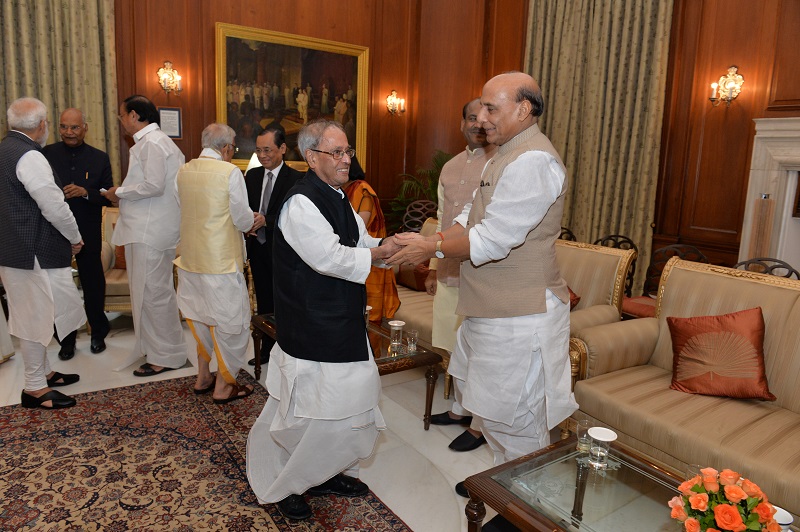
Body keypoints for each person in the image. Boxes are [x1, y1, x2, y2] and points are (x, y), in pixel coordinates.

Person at [387, 72, 579, 496]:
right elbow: (466, 221)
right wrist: (428, 243)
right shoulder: (501, 156)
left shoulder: (533, 160)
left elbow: (493, 238)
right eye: (480, 109)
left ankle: (525, 507)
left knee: (517, 420)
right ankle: (503, 488)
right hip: (491, 307)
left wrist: (430, 247)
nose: (481, 118)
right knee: (492, 415)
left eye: (492, 108)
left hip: (520, 312)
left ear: (523, 109)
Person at [246, 119, 400, 521]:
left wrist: (386, 244)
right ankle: (289, 484)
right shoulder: (300, 202)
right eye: (337, 152)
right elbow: (329, 258)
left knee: (349, 404)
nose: (346, 159)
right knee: (309, 413)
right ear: (312, 158)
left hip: (340, 320)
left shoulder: (337, 194)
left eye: (348, 151)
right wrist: (379, 256)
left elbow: (355, 240)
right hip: (313, 323)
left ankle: (326, 472)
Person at [0, 97, 85, 409]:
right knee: (34, 317)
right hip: (32, 250)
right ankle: (34, 388)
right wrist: (75, 237)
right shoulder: (29, 156)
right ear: (40, 125)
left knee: (36, 312)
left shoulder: (3, 150)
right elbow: (54, 206)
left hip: (12, 248)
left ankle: (44, 373)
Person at [426, 98, 497, 453]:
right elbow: (442, 219)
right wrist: (434, 267)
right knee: (457, 347)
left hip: (483, 273)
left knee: (480, 350)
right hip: (450, 270)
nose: (478, 125)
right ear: (462, 123)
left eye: (485, 119)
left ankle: (480, 425)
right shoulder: (450, 167)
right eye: (472, 118)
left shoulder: (500, 163)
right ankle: (459, 410)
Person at [103, 95, 188, 377]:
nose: (120, 120)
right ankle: (156, 350)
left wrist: (119, 192)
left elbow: (153, 185)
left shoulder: (153, 143)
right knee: (150, 294)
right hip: (150, 229)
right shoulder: (154, 142)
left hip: (150, 231)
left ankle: (167, 355)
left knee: (154, 295)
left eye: (122, 114)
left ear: (136, 116)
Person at [174, 123, 257, 404]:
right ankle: (224, 386)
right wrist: (253, 219)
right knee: (232, 324)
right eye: (232, 148)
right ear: (226, 148)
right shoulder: (229, 172)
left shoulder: (184, 170)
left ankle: (203, 377)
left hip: (190, 261)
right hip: (220, 264)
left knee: (200, 318)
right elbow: (242, 219)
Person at [42, 108, 113, 358]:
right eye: (64, 127)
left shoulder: (99, 157)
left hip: (88, 231)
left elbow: (107, 196)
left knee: (93, 284)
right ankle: (66, 340)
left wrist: (85, 192)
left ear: (85, 128)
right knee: (60, 289)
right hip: (54, 232)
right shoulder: (45, 154)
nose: (69, 132)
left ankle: (98, 334)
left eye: (74, 127)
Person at [244, 128, 303, 365]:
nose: (262, 155)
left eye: (267, 149)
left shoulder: (296, 179)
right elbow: (245, 208)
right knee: (263, 301)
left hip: (283, 252)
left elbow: (295, 215)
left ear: (282, 149)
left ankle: (288, 349)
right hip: (257, 249)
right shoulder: (252, 176)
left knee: (284, 302)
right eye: (258, 150)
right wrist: (246, 221)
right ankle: (267, 349)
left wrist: (265, 220)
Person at [343, 157, 400, 322]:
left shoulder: (362, 190)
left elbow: (357, 229)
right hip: (351, 257)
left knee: (369, 316)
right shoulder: (339, 191)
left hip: (369, 257)